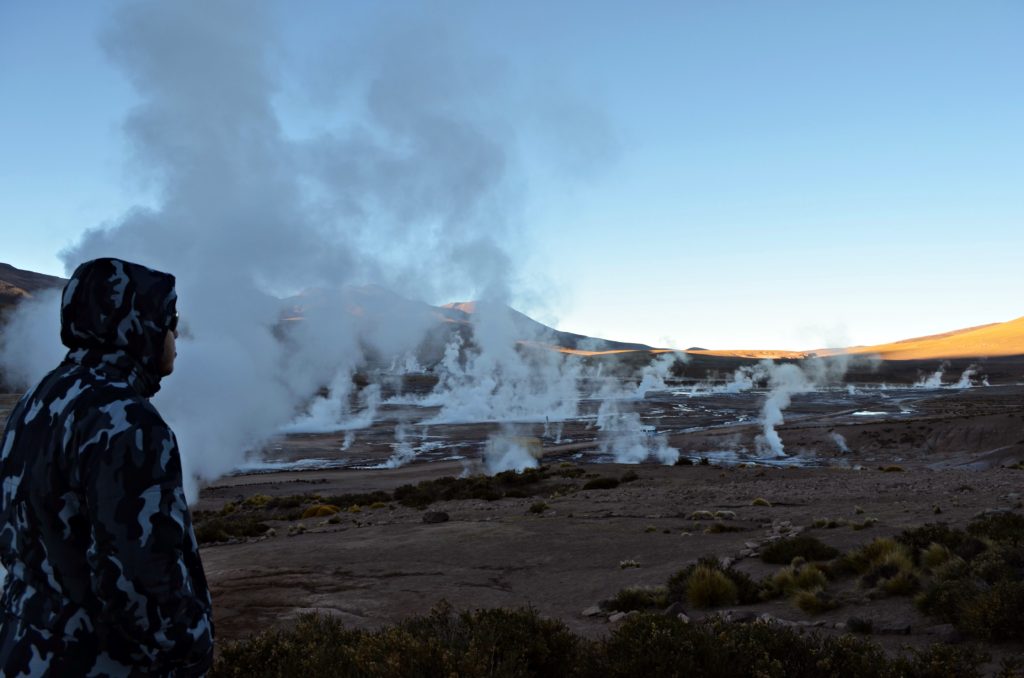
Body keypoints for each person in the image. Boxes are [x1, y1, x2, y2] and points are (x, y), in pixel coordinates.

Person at [0, 258, 213, 676]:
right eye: (169, 323)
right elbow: (140, 573)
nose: (176, 338)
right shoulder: (127, 420)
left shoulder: (38, 399)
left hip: (26, 650)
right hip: (97, 662)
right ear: (139, 327)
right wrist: (192, 647)